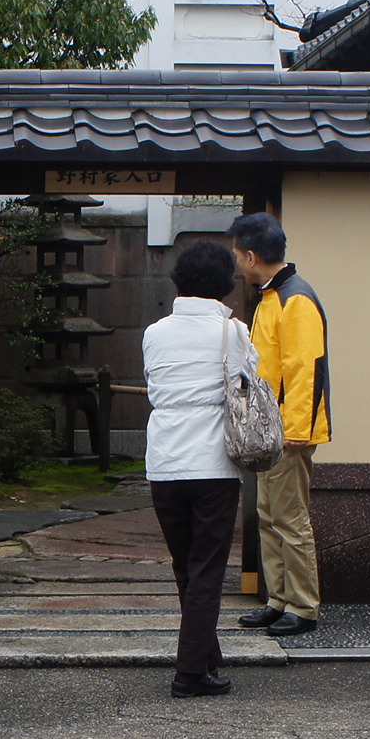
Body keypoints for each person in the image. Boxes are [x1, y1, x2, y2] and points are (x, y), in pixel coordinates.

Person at [143, 240, 255, 698]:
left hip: (164, 461)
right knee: (207, 568)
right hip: (212, 462)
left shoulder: (154, 332)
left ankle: (205, 657)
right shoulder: (234, 332)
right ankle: (190, 673)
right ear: (225, 285)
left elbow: (155, 382)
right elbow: (250, 383)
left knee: (186, 567)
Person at [229, 211, 328, 636]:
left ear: (251, 257)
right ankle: (279, 599)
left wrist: (295, 433)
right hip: (275, 432)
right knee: (269, 516)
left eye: (237, 255)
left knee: (289, 519)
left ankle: (302, 606)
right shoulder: (276, 295)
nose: (236, 263)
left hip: (288, 433)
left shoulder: (294, 299)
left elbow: (307, 369)